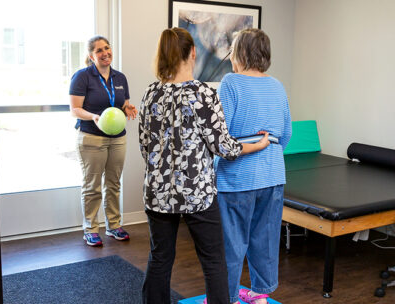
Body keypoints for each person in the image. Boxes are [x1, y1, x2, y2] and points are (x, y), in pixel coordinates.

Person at [138, 27, 270, 304]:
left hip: (158, 194)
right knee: (213, 261)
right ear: (193, 53)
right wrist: (256, 145)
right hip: (197, 193)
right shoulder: (202, 94)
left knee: (160, 258)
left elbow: (145, 146)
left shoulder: (151, 93)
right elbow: (224, 147)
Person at [215, 28, 292, 304]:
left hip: (236, 178)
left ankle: (230, 298)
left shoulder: (230, 82)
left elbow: (220, 135)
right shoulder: (277, 85)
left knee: (232, 244)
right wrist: (266, 156)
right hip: (272, 176)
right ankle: (260, 295)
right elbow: (285, 134)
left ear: (241, 53)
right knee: (266, 240)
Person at [69, 36, 137, 247]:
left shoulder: (120, 78)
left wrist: (128, 108)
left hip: (117, 138)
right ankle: (90, 229)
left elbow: (123, 103)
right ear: (91, 56)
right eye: (99, 50)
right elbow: (75, 110)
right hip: (91, 137)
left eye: (107, 48)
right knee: (92, 186)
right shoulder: (82, 77)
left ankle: (114, 226)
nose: (105, 52)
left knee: (114, 183)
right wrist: (94, 117)